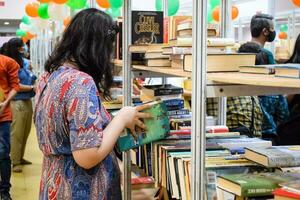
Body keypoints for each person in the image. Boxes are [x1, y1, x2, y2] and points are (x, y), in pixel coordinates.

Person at [34, 8, 151, 199]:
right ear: (97, 46)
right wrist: (121, 118)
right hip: (81, 191)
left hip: (54, 184)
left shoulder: (48, 76)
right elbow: (87, 157)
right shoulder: (80, 82)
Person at [239, 13, 289, 143]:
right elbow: (273, 84)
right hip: (266, 126)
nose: (273, 32)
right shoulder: (266, 55)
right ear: (265, 31)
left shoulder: (239, 52)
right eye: (272, 29)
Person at [2, 38, 37, 173]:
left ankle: (20, 157)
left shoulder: (24, 63)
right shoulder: (10, 64)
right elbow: (14, 85)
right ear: (17, 48)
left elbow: (30, 77)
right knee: (16, 133)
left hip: (27, 100)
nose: (25, 48)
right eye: (22, 46)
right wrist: (30, 87)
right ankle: (15, 161)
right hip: (17, 102)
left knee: (25, 132)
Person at [0, 52, 20, 200]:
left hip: (2, 115)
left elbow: (15, 86)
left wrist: (5, 103)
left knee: (3, 152)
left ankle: (4, 190)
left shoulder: (7, 62)